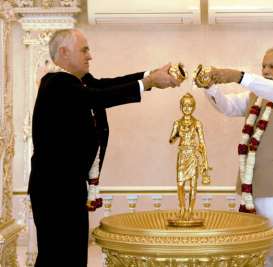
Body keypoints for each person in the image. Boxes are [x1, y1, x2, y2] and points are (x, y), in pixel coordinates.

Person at [27, 29, 181, 267]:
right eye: (84, 50)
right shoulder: (56, 83)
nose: (90, 56)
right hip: (54, 190)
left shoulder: (77, 82)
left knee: (72, 257)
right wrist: (148, 82)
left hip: (67, 187)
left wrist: (150, 76)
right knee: (57, 258)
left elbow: (105, 85)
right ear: (64, 53)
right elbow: (99, 97)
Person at [197, 47, 273, 267]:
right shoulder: (256, 96)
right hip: (255, 188)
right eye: (263, 66)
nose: (266, 70)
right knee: (262, 254)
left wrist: (240, 77)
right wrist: (210, 87)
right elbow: (227, 106)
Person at [169, 93, 211, 220]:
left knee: (193, 184)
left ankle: (191, 210)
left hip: (192, 155)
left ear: (194, 107)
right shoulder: (177, 123)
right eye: (185, 105)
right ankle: (182, 208)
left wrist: (205, 162)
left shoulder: (197, 123)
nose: (187, 108)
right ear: (181, 106)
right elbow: (171, 140)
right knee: (180, 183)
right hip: (182, 155)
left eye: (190, 105)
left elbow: (202, 143)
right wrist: (177, 134)